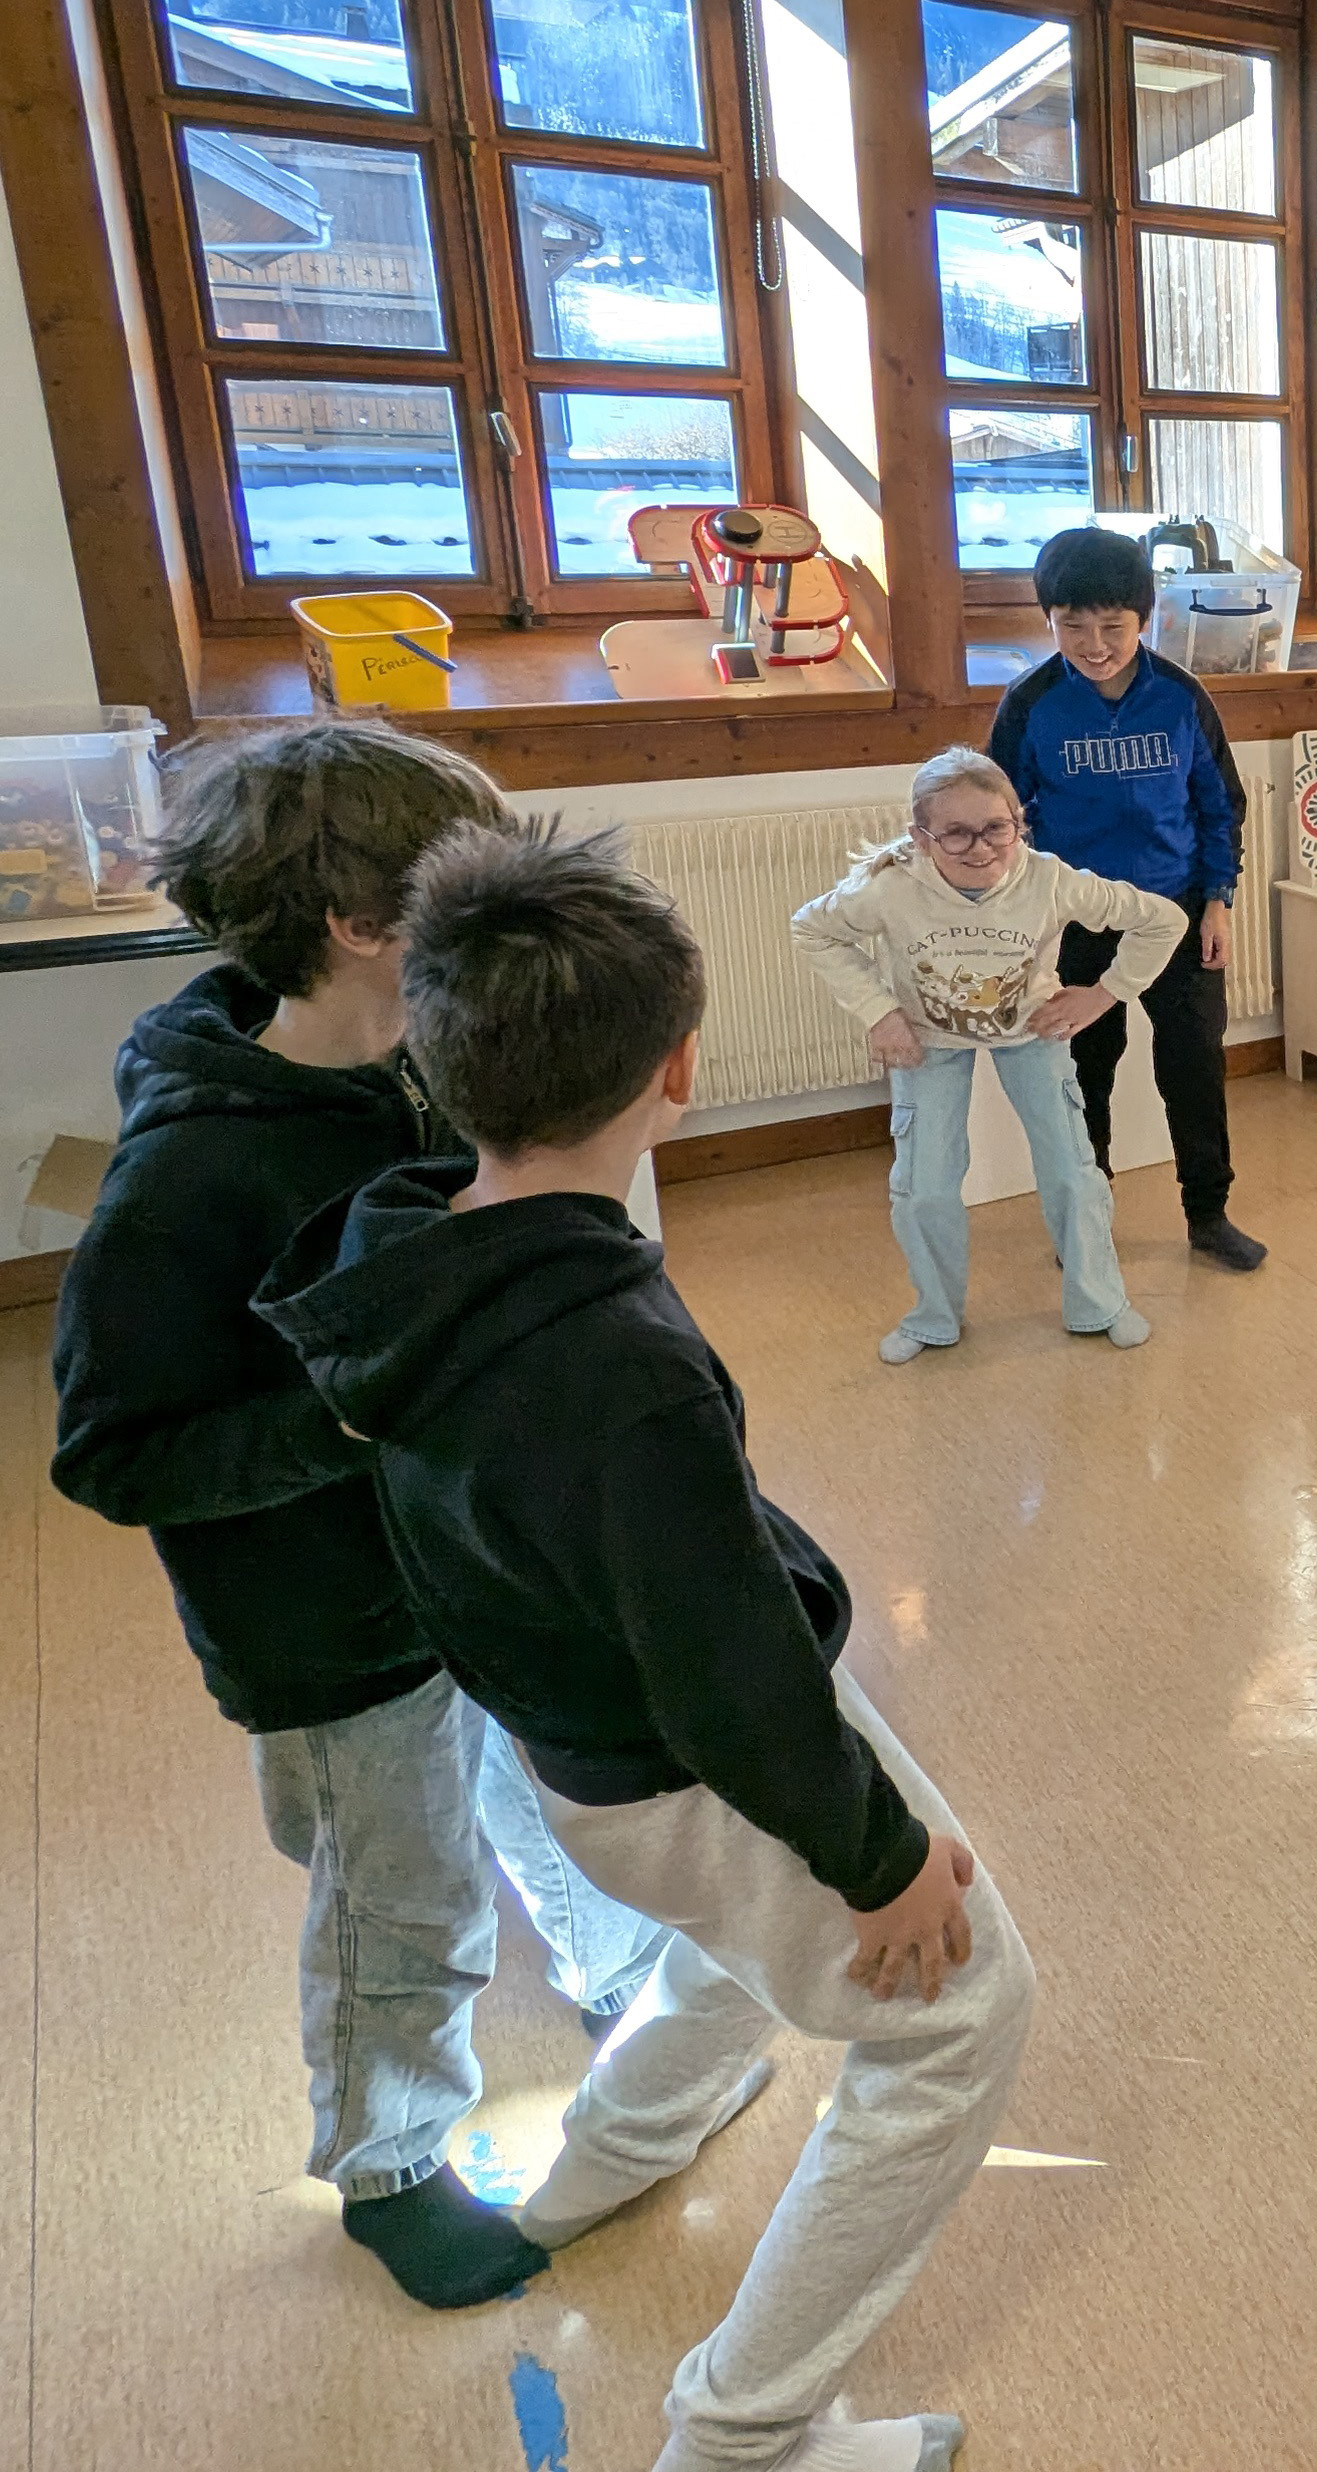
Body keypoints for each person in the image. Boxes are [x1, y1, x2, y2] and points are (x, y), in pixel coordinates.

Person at [258, 828, 1033, 2472]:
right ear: (679, 1067)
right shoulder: (615, 1364)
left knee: (730, 1940)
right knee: (958, 2014)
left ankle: (610, 2150)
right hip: (682, 1758)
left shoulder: (405, 1251)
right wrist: (879, 1857)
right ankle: (743, 2432)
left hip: (585, 1748)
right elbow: (732, 1679)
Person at [47, 721, 664, 2311]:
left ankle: (622, 1985)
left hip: (469, 1572)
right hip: (328, 1628)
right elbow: (117, 1453)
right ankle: (390, 2161)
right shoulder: (189, 1176)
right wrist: (347, 1411)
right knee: (407, 1898)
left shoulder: (419, 1066)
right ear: (363, 925)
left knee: (542, 1793)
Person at [793, 745, 1184, 1364]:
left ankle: (1099, 1302)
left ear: (1018, 824)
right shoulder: (890, 889)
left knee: (1072, 1172)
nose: (980, 848)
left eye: (996, 829)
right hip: (929, 1044)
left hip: (1031, 1036)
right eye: (956, 833)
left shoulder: (1049, 878)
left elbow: (1162, 920)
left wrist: (1106, 995)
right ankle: (933, 1316)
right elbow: (812, 929)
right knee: (925, 1186)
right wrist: (880, 1012)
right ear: (921, 837)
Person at [989, 525, 1266, 1272]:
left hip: (1177, 915)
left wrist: (1219, 901)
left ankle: (1208, 1215)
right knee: (1084, 1075)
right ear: (1049, 620)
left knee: (1195, 1071)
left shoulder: (1181, 697)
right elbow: (1004, 818)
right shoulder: (1030, 704)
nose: (1093, 642)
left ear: (1144, 620)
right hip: (1078, 923)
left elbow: (1221, 806)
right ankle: (1088, 1213)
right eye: (1072, 624)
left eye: (1112, 625)